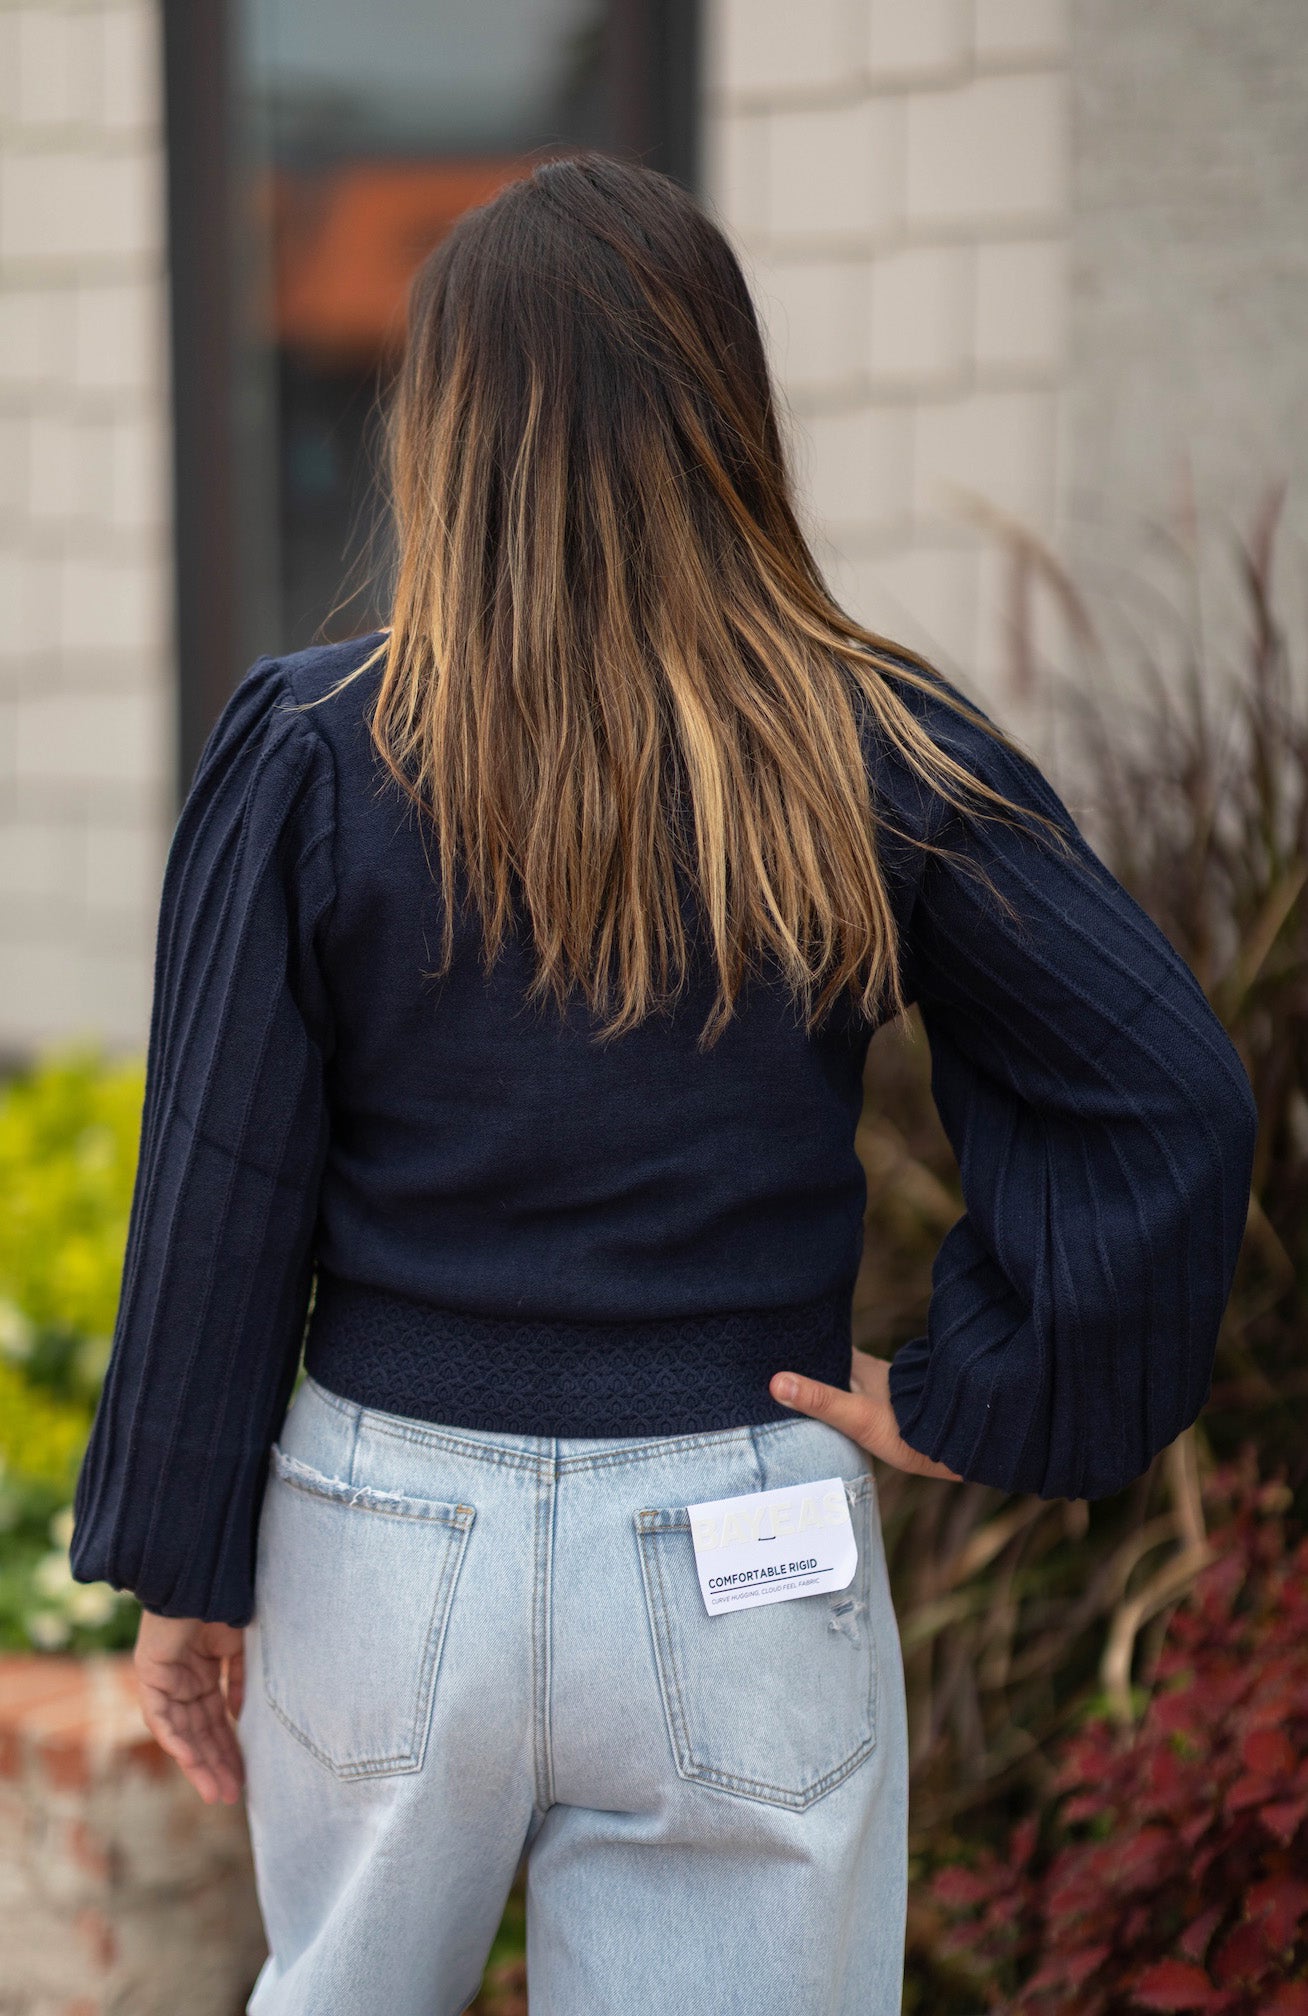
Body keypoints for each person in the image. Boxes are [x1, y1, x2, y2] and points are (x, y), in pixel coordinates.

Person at [69, 153, 1257, 2016]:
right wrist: (993, 1397)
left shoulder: (308, 753)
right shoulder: (871, 746)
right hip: (741, 1534)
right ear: (723, 415)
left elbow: (220, 1183)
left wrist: (181, 1564)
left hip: (385, 1545)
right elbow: (1170, 1091)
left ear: (444, 432)